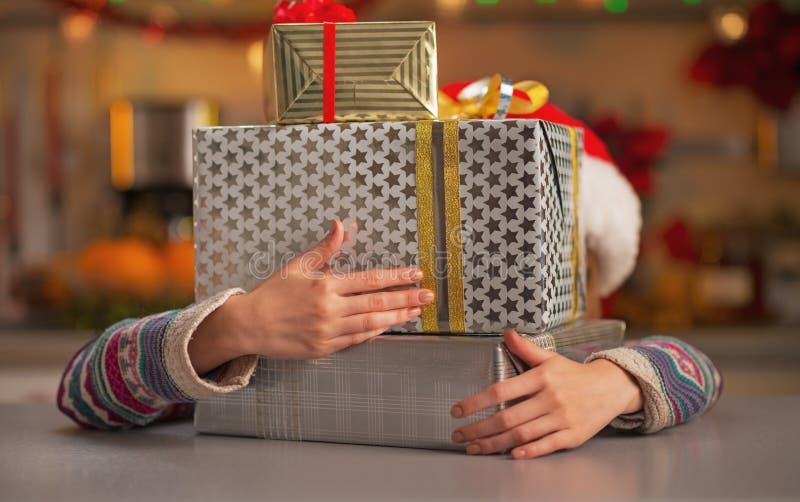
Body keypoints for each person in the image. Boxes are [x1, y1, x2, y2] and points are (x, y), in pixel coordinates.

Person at [56, 124, 722, 460]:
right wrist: (237, 327)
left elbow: (697, 369)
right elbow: (84, 387)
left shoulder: (568, 366)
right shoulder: (273, 343)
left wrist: (614, 386)